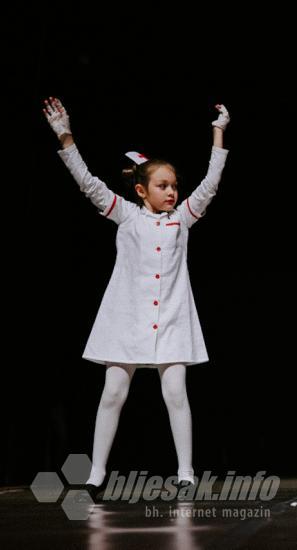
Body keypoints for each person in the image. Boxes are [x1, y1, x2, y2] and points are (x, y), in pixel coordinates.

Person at [42, 97, 230, 496]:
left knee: (176, 392)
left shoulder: (182, 219)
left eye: (174, 186)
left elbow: (210, 186)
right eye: (163, 186)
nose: (172, 192)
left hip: (173, 318)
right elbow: (88, 183)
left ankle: (185, 473)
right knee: (112, 393)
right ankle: (95, 474)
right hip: (126, 319)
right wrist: (66, 137)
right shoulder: (125, 214)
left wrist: (218, 134)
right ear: (142, 190)